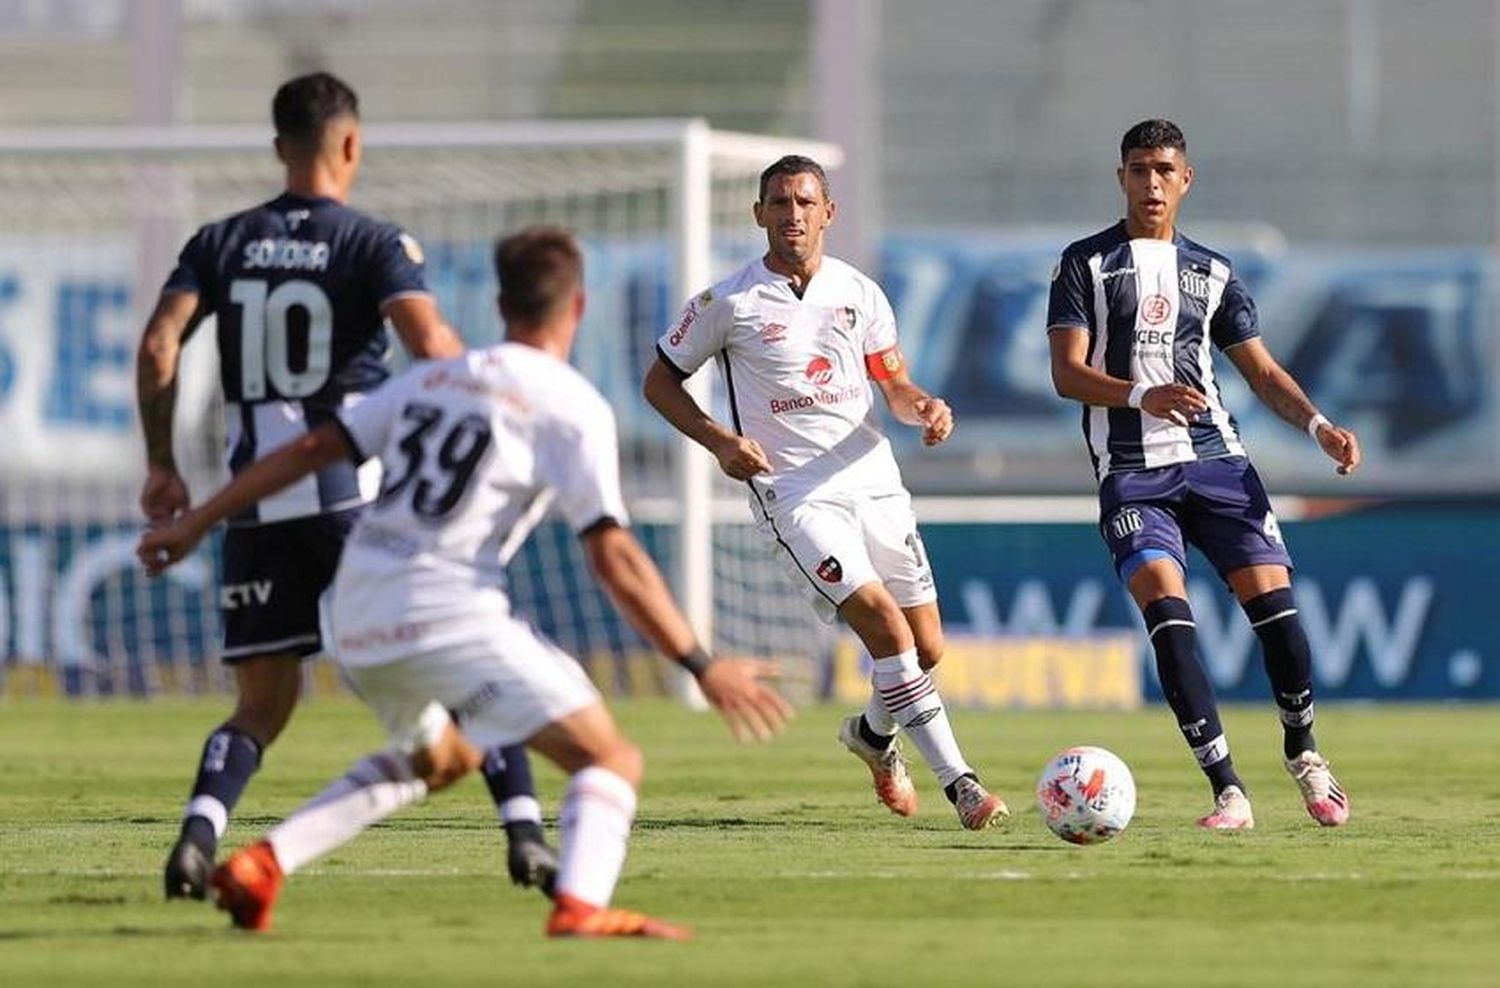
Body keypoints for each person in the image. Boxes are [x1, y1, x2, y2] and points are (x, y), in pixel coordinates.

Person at [138, 226, 792, 938]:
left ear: (499, 303)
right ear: (577, 307)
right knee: (609, 756)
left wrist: (198, 521)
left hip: (355, 609)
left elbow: (313, 448)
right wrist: (699, 662)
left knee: (442, 757)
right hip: (444, 609)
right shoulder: (571, 405)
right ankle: (579, 907)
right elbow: (614, 556)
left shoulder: (430, 378)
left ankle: (263, 863)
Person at [136, 72, 555, 900]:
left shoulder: (218, 241)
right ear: (351, 144)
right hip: (351, 499)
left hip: (255, 500)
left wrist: (162, 463)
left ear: (279, 146)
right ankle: (526, 834)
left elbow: (159, 347)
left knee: (261, 702)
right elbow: (432, 343)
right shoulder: (373, 243)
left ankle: (197, 834)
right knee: (462, 654)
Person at [643, 155, 1006, 830]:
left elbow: (892, 384)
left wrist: (922, 404)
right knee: (885, 630)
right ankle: (961, 783)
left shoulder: (859, 292)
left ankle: (872, 736)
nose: (792, 216)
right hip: (797, 496)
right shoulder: (726, 303)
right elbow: (659, 383)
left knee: (926, 648)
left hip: (875, 483)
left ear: (828, 213)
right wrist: (720, 441)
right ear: (759, 215)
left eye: (805, 203)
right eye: (779, 203)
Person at [1046, 118, 1360, 830]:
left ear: (1185, 179)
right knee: (1168, 612)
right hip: (1131, 472)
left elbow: (1264, 373)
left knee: (1278, 618)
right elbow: (1067, 374)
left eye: (1163, 170)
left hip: (1218, 463)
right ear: (1120, 178)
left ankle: (1305, 753)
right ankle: (1227, 789)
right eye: (1137, 170)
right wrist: (1139, 395)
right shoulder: (1084, 264)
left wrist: (1319, 427)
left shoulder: (1212, 272)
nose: (1150, 183)